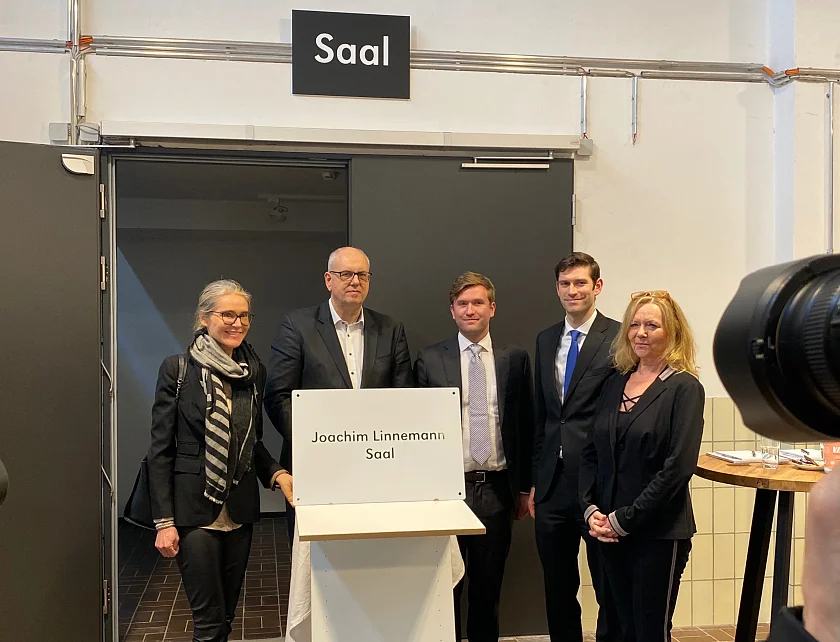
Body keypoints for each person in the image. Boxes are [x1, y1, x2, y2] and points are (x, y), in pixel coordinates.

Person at [147, 279, 293, 642]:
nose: (237, 323)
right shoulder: (178, 369)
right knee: (208, 622)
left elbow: (251, 441)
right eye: (227, 314)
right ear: (203, 318)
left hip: (239, 510)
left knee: (226, 616)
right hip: (193, 511)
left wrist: (276, 473)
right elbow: (161, 449)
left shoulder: (251, 374)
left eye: (244, 315)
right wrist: (164, 522)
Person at [264, 246, 414, 544]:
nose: (355, 281)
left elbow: (403, 399)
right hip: (314, 467)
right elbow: (278, 396)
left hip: (377, 466)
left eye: (362, 274)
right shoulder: (298, 326)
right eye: (346, 274)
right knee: (316, 564)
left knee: (371, 555)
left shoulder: (390, 329)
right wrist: (322, 443)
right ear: (328, 279)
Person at [414, 272, 534, 642]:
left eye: (478, 302)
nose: (470, 310)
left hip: (497, 490)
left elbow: (526, 425)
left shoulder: (514, 359)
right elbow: (415, 429)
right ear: (452, 311)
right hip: (448, 490)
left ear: (492, 308)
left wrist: (525, 489)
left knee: (487, 589)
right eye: (463, 304)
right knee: (445, 587)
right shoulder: (431, 359)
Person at [579, 290, 703, 642]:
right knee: (614, 628)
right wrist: (590, 509)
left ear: (672, 332)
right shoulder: (615, 382)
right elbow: (591, 451)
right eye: (634, 324)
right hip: (606, 531)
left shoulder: (684, 388)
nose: (641, 333)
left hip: (657, 533)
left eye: (652, 325)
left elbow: (677, 467)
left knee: (648, 632)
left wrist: (625, 520)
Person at [531, 252, 621, 642]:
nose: (572, 290)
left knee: (608, 584)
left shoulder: (619, 337)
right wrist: (534, 481)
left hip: (598, 485)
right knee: (558, 585)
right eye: (565, 284)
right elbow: (543, 415)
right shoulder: (546, 338)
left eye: (580, 282)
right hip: (551, 485)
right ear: (557, 289)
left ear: (597, 287)